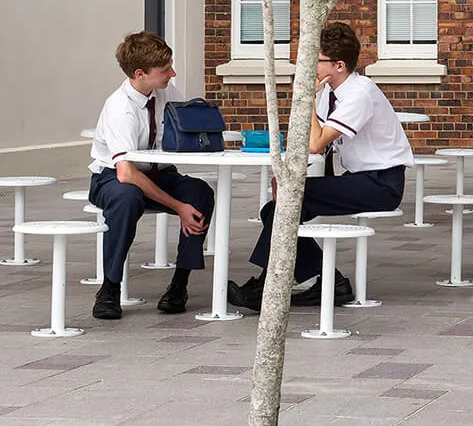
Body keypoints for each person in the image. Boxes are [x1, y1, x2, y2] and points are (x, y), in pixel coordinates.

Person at [230, 21, 412, 311]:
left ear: (339, 65)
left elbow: (316, 142)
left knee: (290, 201)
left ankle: (268, 285)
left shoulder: (358, 94)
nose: (310, 65)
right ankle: (328, 280)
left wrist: (307, 98)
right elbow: (314, 144)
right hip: (360, 178)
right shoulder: (331, 92)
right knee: (274, 209)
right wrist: (289, 174)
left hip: (382, 184)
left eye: (317, 59)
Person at [86, 31, 214, 321]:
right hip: (113, 178)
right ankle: (109, 288)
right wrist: (178, 207)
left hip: (159, 174)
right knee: (127, 197)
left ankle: (179, 285)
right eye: (165, 69)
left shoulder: (165, 91)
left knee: (200, 192)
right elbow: (127, 173)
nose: (173, 73)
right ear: (140, 74)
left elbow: (185, 128)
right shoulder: (120, 108)